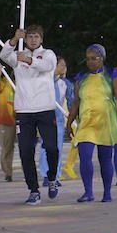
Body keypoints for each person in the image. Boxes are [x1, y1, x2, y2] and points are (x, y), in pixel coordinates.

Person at [0, 26, 60, 205]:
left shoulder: (48, 54)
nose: (33, 39)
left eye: (36, 36)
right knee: (26, 151)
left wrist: (28, 59)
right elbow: (3, 55)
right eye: (30, 36)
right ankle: (33, 190)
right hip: (24, 111)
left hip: (45, 108)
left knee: (51, 148)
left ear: (41, 39)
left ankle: (51, 178)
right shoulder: (17, 55)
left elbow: (46, 66)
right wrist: (12, 40)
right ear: (25, 39)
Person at [65, 44, 117, 203]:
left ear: (102, 58)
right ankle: (88, 192)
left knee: (105, 159)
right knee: (84, 156)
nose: (90, 62)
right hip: (86, 122)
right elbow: (76, 102)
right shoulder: (81, 78)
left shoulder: (111, 74)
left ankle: (107, 193)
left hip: (105, 121)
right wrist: (69, 122)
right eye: (88, 59)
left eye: (94, 58)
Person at [39, 57, 74, 187]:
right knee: (45, 147)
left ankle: (56, 175)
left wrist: (73, 117)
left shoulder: (65, 84)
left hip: (59, 120)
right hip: (45, 118)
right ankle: (45, 175)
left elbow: (71, 102)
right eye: (61, 64)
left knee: (57, 149)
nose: (64, 67)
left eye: (65, 65)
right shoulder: (45, 81)